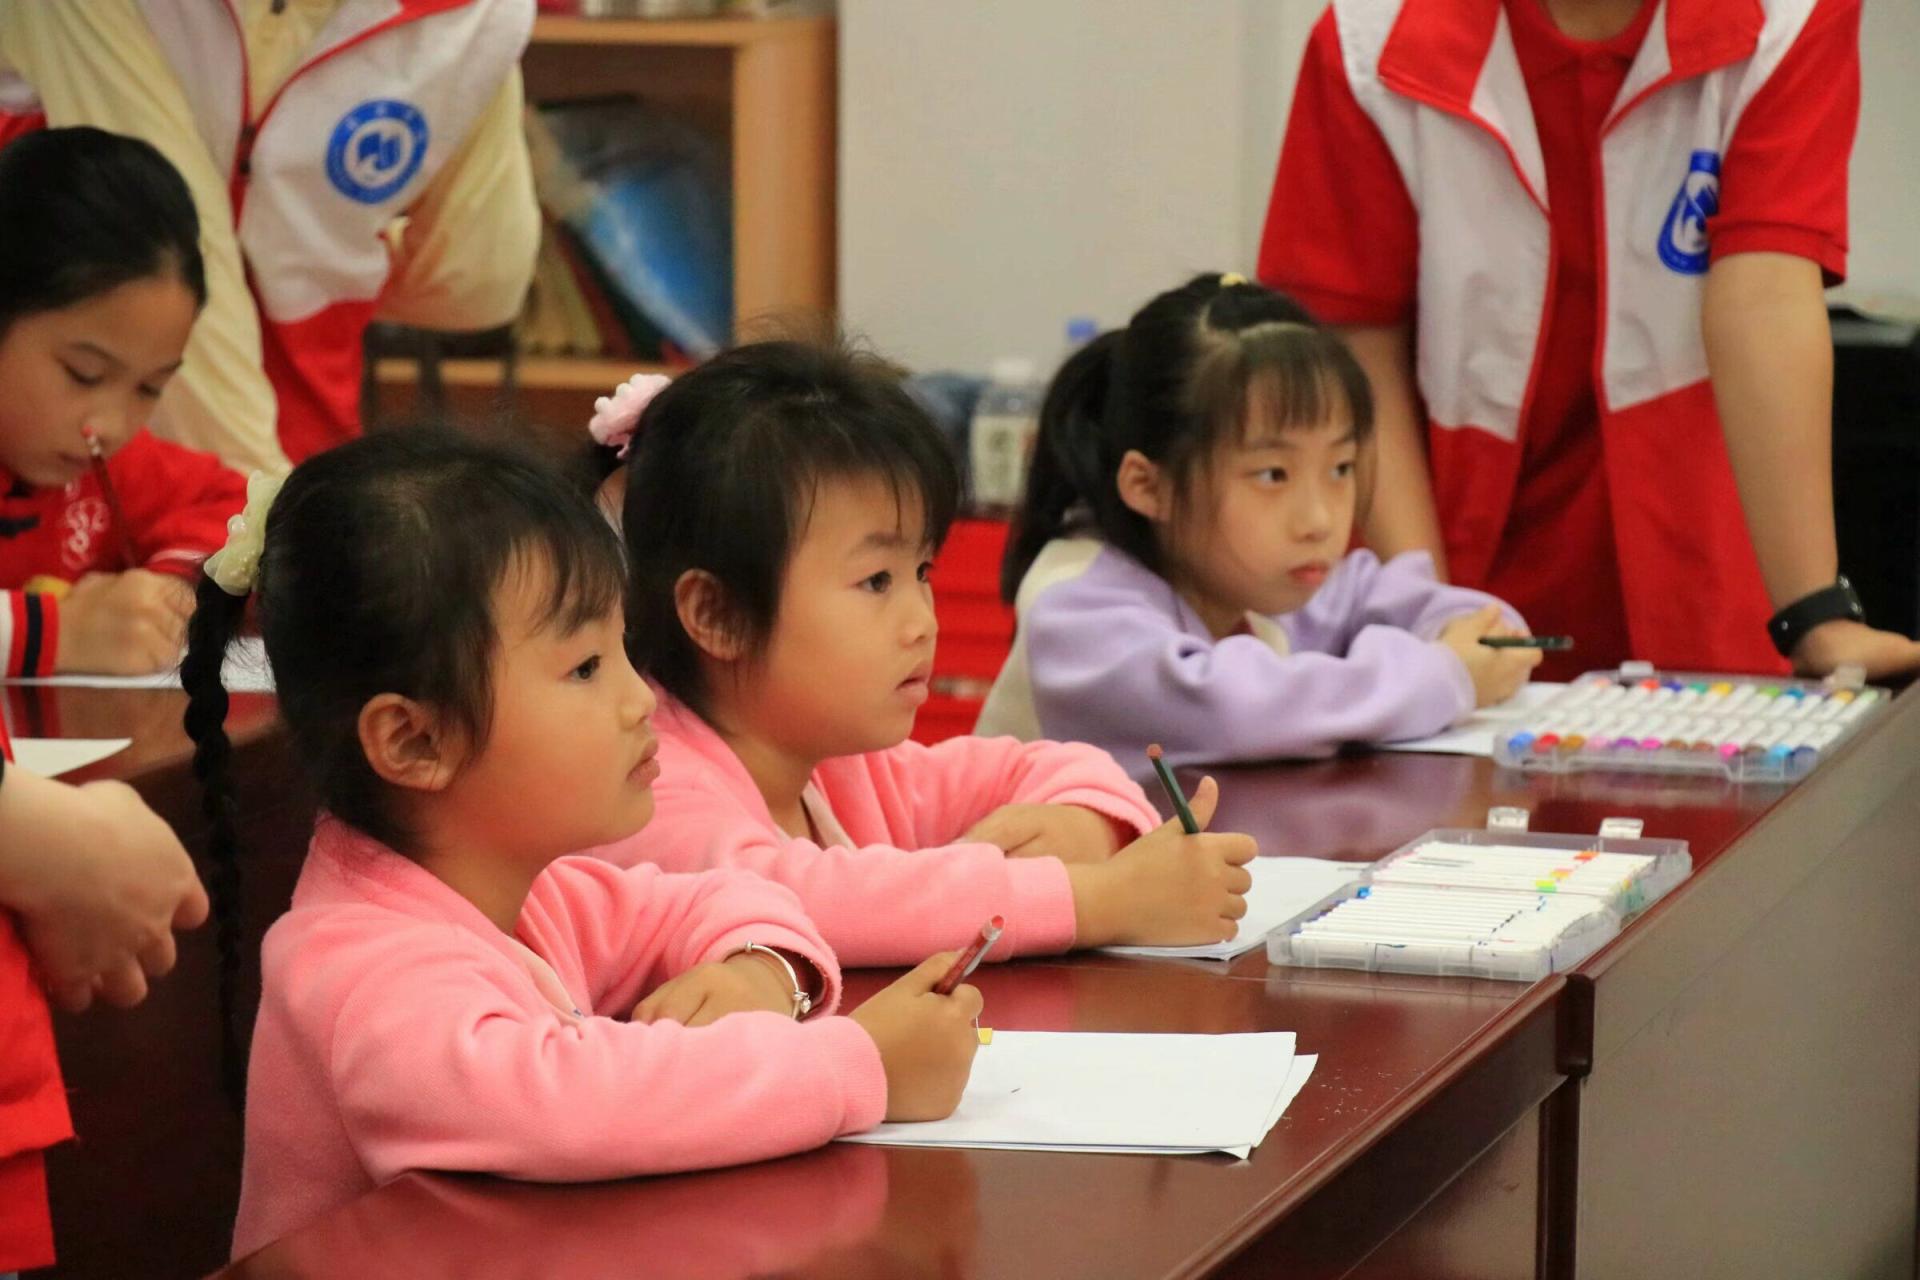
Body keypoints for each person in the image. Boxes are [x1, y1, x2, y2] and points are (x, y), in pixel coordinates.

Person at [179, 428, 981, 1258]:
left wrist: (761, 974)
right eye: (586, 668)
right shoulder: (359, 970)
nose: (642, 701)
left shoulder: (533, 890)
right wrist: (862, 1066)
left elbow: (727, 898)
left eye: (622, 651)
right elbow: (565, 1104)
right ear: (416, 741)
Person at [1258, 0, 1918, 679]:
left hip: (1701, 570)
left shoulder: (1786, 17)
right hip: (1454, 559)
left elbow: (1766, 296)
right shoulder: (1370, 40)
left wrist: (1814, 616)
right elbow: (1358, 346)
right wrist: (1432, 617)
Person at [600, 340, 1259, 968]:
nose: (923, 622)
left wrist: (1084, 828)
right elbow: (810, 901)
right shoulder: (646, 788)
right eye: (875, 582)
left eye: (921, 571)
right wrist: (1102, 901)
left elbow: (1058, 762)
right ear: (718, 615)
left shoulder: (840, 762)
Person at [976, 274, 1538, 779]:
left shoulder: (1258, 573)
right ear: (1150, 486)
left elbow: (1442, 610)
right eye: (1273, 475)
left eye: (1340, 468)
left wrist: (1474, 638)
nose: (1319, 520)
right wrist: (1446, 673)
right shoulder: (1076, 609)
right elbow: (1240, 711)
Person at [0, 0, 542, 472]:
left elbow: (481, 281)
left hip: (187, 451)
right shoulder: (477, 16)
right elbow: (477, 279)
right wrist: (335, 264)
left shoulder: (474, 16)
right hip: (209, 452)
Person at [0, 126, 248, 678]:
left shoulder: (111, 468)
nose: (110, 426)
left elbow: (237, 511)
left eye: (149, 388)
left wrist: (165, 595)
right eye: (84, 374)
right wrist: (59, 633)